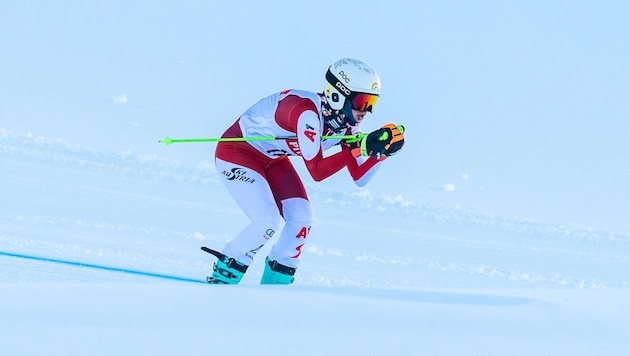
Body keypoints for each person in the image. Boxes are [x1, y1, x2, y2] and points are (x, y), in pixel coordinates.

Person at [206, 58, 405, 284]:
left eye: (372, 104)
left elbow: (359, 177)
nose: (365, 111)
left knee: (302, 219)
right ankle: (223, 276)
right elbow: (317, 172)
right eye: (361, 102)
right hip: (237, 152)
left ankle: (275, 287)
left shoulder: (348, 125)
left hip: (272, 159)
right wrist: (360, 148)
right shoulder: (307, 113)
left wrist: (382, 153)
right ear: (339, 95)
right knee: (267, 220)